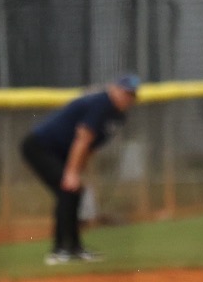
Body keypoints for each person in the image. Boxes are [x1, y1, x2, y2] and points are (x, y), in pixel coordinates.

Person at [19, 72, 139, 265]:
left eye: (132, 94)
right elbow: (83, 138)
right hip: (39, 147)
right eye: (125, 92)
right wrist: (71, 173)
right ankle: (59, 251)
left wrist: (77, 172)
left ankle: (74, 248)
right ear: (114, 89)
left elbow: (90, 148)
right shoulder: (102, 103)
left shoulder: (118, 116)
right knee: (67, 190)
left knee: (74, 191)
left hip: (60, 153)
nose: (128, 98)